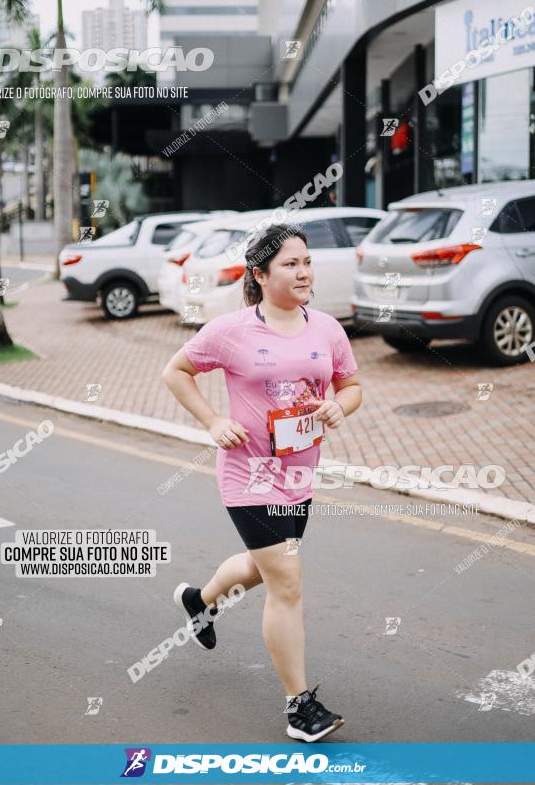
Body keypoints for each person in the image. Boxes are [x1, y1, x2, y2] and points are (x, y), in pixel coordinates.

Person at [161, 223, 362, 742]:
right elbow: (177, 372)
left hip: (299, 474)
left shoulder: (326, 329)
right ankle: (300, 708)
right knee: (287, 582)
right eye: (291, 264)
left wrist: (338, 406)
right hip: (248, 475)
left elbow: (353, 386)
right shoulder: (230, 331)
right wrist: (211, 422)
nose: (304, 272)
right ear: (261, 274)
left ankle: (199, 602)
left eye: (307, 262)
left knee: (260, 566)